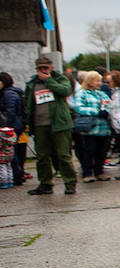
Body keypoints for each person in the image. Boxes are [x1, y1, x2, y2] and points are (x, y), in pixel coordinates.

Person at [23, 55, 77, 195]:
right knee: (42, 157)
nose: (43, 70)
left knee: (63, 155)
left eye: (46, 68)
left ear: (51, 67)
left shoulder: (60, 79)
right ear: (36, 69)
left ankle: (70, 183)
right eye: (40, 68)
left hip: (60, 124)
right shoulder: (32, 84)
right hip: (39, 125)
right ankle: (45, 184)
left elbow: (65, 91)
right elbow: (28, 104)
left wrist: (49, 81)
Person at [71, 71, 114, 181]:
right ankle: (87, 173)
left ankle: (99, 171)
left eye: (100, 81)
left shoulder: (101, 94)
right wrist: (96, 111)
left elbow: (109, 104)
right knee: (89, 151)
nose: (100, 83)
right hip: (90, 128)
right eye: (97, 81)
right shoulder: (82, 93)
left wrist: (106, 110)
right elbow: (79, 107)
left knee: (102, 151)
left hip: (104, 128)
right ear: (90, 81)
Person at [0, 73, 25, 186]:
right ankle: (16, 175)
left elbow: (10, 111)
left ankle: (16, 175)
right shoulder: (12, 92)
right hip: (15, 125)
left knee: (10, 151)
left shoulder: (8, 94)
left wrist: (5, 126)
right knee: (11, 151)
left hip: (11, 126)